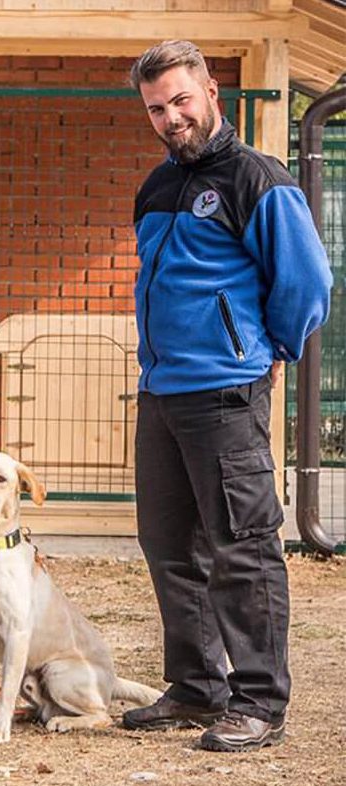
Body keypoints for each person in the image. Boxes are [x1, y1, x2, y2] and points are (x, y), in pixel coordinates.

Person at [122, 40, 332, 752]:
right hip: (161, 395)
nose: (171, 117)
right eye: (157, 107)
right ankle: (196, 686)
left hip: (225, 394)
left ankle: (259, 701)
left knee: (242, 548)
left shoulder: (258, 178)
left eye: (181, 100)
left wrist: (267, 350)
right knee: (169, 548)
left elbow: (306, 284)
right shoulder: (155, 187)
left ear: (212, 90)